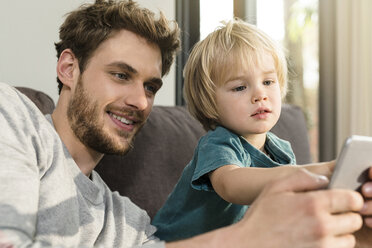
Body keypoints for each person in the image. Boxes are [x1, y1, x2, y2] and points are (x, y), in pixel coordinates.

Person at [0, 1, 370, 247]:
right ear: (69, 68)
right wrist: (250, 237)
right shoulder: (13, 115)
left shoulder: (127, 220)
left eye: (150, 86)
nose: (140, 101)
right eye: (120, 75)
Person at [152, 19, 334, 242]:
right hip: (174, 243)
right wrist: (320, 171)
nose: (260, 94)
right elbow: (231, 185)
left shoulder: (281, 150)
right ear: (209, 102)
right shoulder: (219, 143)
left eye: (268, 82)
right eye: (240, 87)